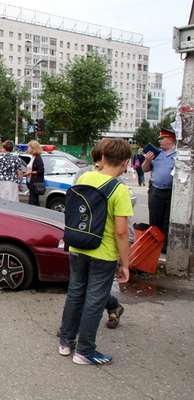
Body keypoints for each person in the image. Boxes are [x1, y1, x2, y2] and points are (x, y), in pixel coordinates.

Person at [58, 138, 133, 365]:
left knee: (76, 293)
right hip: (103, 253)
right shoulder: (119, 189)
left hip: (78, 246)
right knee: (94, 300)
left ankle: (66, 342)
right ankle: (85, 351)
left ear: (102, 158)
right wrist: (125, 264)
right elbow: (121, 233)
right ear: (126, 162)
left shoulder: (85, 177)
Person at [72, 139, 133, 329]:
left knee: (93, 289)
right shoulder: (84, 175)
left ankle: (73, 332)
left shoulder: (116, 182)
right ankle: (110, 308)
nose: (98, 165)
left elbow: (121, 226)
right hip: (91, 238)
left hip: (105, 240)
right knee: (91, 290)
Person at [142, 127, 176, 253]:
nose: (160, 141)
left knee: (168, 219)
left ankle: (165, 247)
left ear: (170, 139)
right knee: (155, 219)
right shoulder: (156, 153)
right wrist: (147, 160)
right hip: (156, 190)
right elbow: (145, 169)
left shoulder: (179, 154)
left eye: (162, 139)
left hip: (171, 191)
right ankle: (155, 244)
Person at [24, 140, 45, 206]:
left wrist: (30, 173)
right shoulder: (32, 158)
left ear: (33, 148)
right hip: (30, 183)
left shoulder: (38, 158)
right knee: (34, 200)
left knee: (33, 202)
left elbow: (41, 170)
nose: (28, 149)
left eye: (29, 147)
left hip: (35, 183)